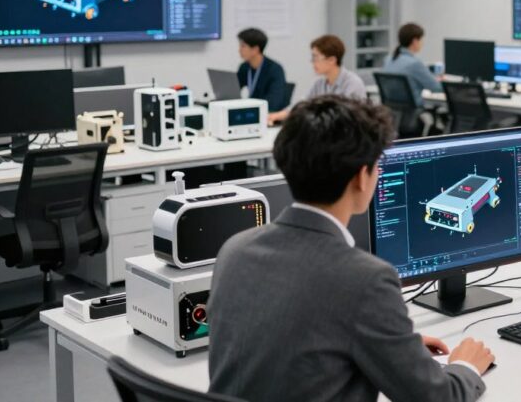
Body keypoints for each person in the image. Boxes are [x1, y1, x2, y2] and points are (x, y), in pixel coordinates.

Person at [209, 96, 493, 402]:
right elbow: (439, 398)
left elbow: (285, 335)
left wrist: (391, 344)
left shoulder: (233, 251)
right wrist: (466, 366)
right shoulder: (365, 279)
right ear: (361, 177)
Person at [268, 35, 366, 124]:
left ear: (332, 60)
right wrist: (276, 115)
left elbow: (347, 118)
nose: (312, 62)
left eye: (316, 58)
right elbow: (302, 105)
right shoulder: (320, 83)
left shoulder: (352, 83)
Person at [385, 22, 442, 106]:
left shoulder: (388, 59)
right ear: (415, 41)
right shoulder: (415, 64)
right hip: (413, 110)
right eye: (421, 40)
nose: (422, 43)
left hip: (392, 109)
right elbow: (436, 88)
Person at [235, 28, 289, 112]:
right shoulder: (245, 67)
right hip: (252, 111)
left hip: (269, 114)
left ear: (255, 49)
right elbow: (234, 89)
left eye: (243, 46)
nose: (239, 50)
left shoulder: (275, 70)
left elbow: (274, 102)